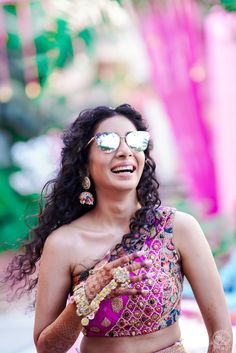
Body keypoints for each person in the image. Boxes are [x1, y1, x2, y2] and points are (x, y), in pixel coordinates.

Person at [3, 104, 233, 353]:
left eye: (135, 141)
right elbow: (47, 348)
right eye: (107, 142)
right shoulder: (64, 243)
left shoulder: (178, 228)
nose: (125, 151)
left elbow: (221, 332)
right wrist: (86, 297)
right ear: (84, 164)